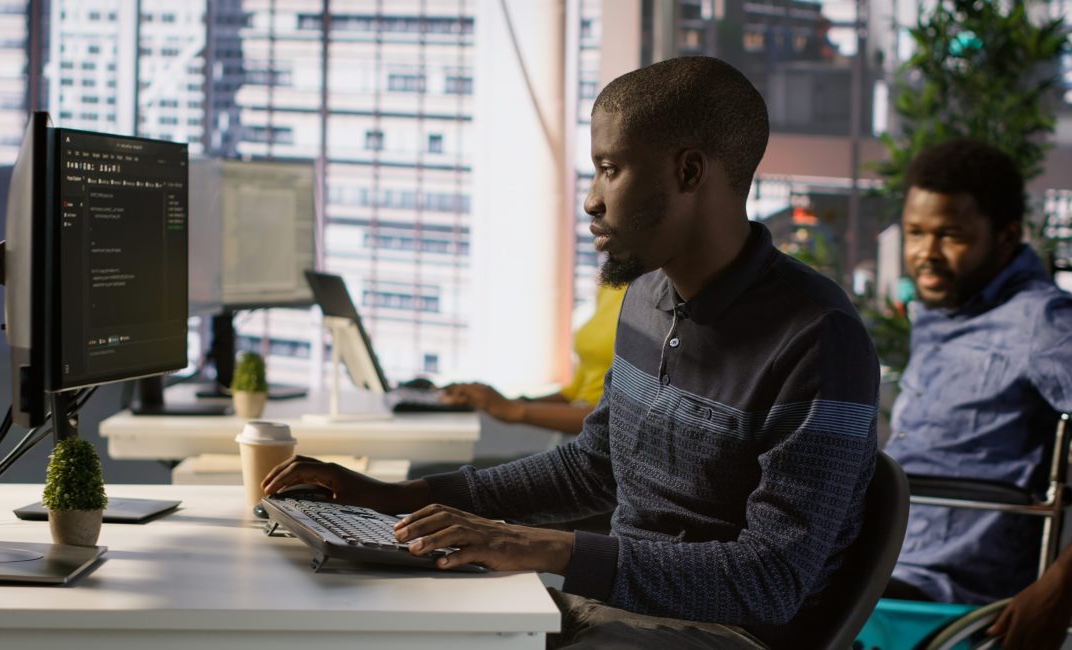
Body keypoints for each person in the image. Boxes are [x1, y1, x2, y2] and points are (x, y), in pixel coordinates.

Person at [263, 55, 880, 648]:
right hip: (615, 611)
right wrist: (396, 496)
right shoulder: (645, 299)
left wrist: (538, 547)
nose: (592, 199)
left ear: (689, 172)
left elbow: (769, 582)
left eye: (610, 169)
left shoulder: (819, 338)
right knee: (369, 622)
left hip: (726, 635)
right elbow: (595, 467)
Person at [882, 138, 1072, 649]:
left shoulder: (1043, 323)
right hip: (885, 554)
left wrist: (1059, 586)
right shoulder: (947, 308)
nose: (925, 253)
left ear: (1006, 236)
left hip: (941, 586)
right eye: (915, 233)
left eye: (950, 235)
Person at [440, 284, 626, 435]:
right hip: (579, 442)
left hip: (609, 454)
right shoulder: (614, 280)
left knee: (441, 477)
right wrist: (492, 399)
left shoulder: (648, 294)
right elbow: (573, 393)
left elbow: (622, 420)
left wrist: (515, 410)